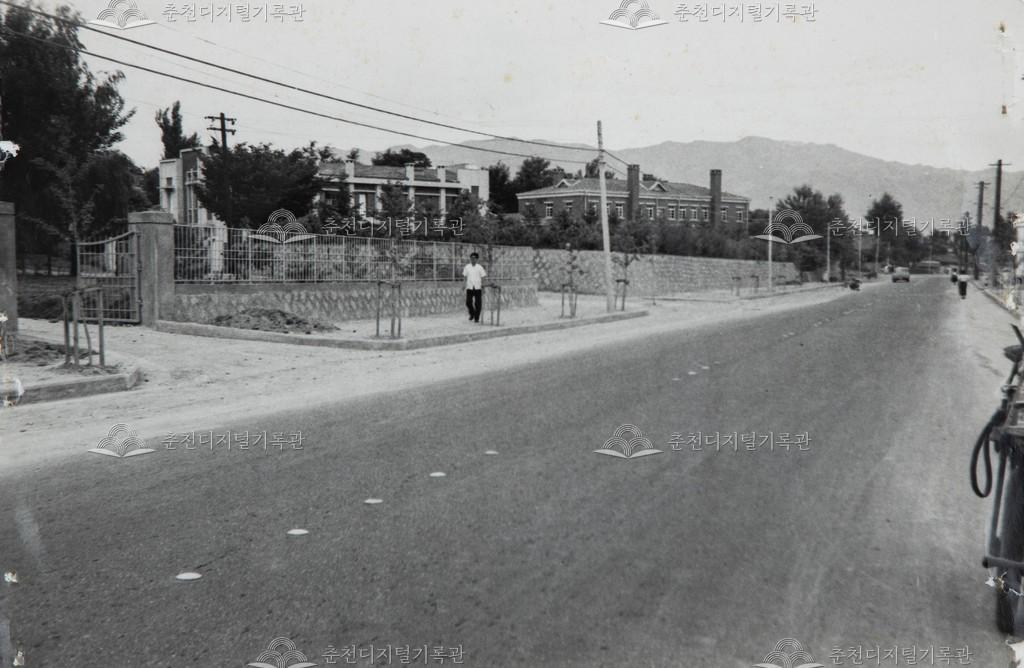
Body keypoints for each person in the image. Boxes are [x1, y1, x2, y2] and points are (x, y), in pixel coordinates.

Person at [462, 252, 487, 322]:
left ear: (477, 259)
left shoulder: (480, 267)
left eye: (474, 258)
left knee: (478, 303)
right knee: (468, 302)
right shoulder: (467, 267)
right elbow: (465, 276)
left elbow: (483, 277)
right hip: (469, 287)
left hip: (478, 287)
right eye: (471, 258)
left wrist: (483, 287)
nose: (472, 260)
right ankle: (472, 313)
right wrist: (464, 285)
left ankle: (476, 318)